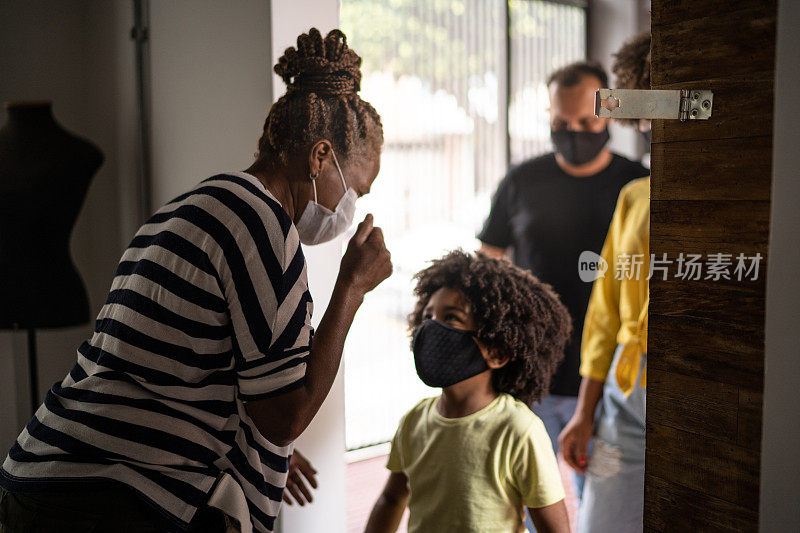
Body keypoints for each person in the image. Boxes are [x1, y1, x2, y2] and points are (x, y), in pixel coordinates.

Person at [0, 28, 390, 533]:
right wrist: (351, 288)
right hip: (112, 494)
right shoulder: (263, 224)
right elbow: (283, 419)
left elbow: (176, 365)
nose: (351, 206)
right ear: (319, 157)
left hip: (45, 473)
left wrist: (253, 448)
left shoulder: (197, 205)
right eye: (356, 187)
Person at [478, 61, 649, 503]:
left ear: (608, 115)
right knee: (524, 500)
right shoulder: (521, 180)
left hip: (611, 382)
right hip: (529, 377)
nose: (573, 132)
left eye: (585, 122)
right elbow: (488, 263)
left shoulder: (637, 185)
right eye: (560, 123)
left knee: (599, 502)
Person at [364, 250, 573, 533]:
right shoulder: (413, 421)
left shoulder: (519, 430)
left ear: (497, 351)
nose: (431, 328)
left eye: (451, 317)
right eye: (427, 317)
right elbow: (391, 499)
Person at [558, 32, 652, 533]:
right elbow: (605, 313)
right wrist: (584, 411)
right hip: (624, 391)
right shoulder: (636, 197)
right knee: (601, 522)